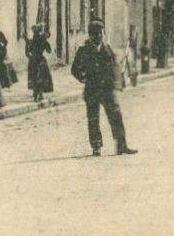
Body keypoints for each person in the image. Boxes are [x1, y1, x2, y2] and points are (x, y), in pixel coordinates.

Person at [71, 17, 136, 157]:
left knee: (116, 116)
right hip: (92, 89)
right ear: (91, 35)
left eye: (101, 34)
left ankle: (121, 145)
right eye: (96, 34)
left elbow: (113, 66)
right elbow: (74, 69)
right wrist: (83, 78)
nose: (99, 37)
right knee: (93, 118)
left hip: (107, 89)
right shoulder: (84, 50)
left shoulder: (107, 49)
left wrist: (117, 80)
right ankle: (96, 146)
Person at [26, 23, 55, 102]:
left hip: (35, 60)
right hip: (38, 60)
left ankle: (37, 93)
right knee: (38, 77)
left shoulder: (36, 40)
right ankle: (38, 93)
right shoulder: (35, 40)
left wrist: (30, 55)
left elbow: (48, 50)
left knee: (38, 77)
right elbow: (49, 50)